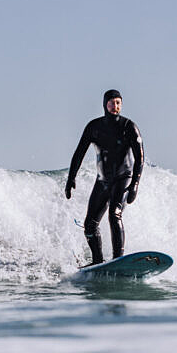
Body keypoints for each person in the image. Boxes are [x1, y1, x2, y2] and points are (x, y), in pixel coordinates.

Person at [65, 89, 144, 265]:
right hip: (103, 181)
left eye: (118, 103)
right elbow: (79, 153)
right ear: (104, 104)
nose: (115, 106)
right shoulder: (94, 127)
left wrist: (134, 185)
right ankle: (98, 261)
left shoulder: (128, 127)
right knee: (90, 224)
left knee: (114, 215)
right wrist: (71, 178)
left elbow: (140, 158)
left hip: (123, 177)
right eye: (111, 102)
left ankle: (118, 259)